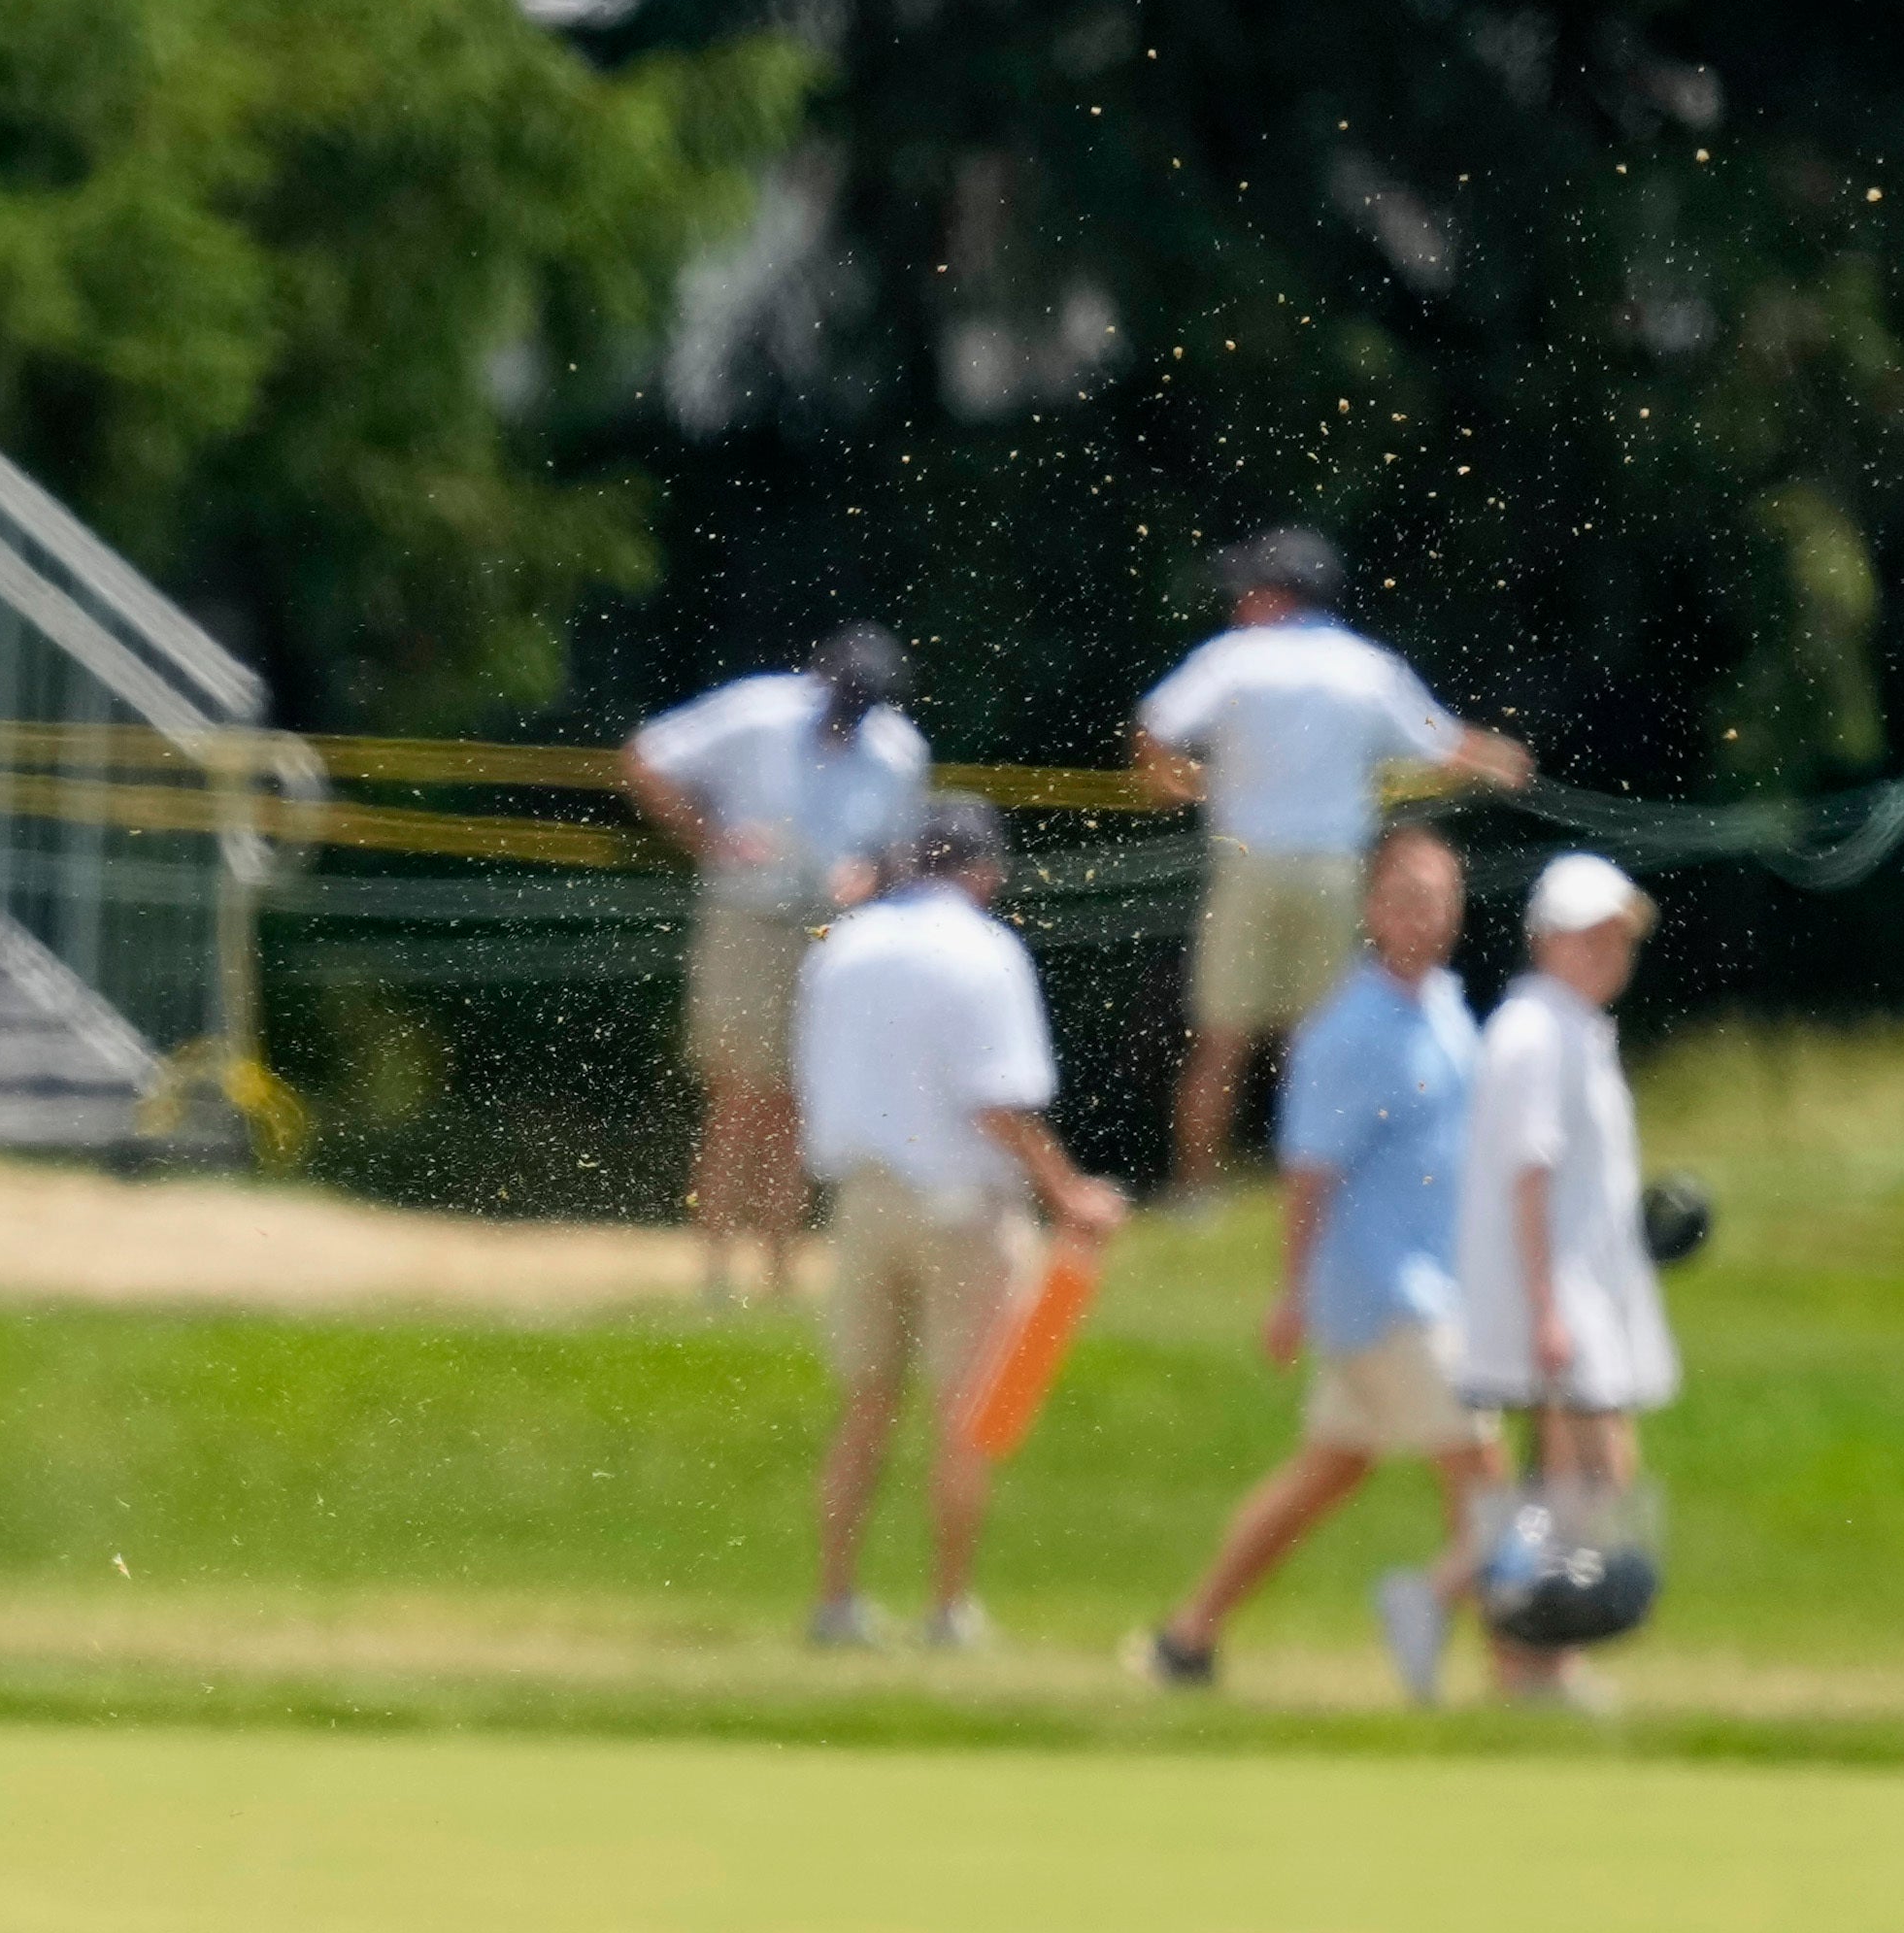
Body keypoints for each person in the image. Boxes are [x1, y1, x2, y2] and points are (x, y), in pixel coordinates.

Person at [1134, 826, 1499, 1697]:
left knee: (1331, 1468)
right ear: (1374, 908)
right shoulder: (1349, 1025)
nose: (1427, 913)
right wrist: (1290, 1295)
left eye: (1441, 895)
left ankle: (1187, 1636)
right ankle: (1511, 1665)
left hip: (1430, 1281)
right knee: (1480, 1470)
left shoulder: (1447, 1008)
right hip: (1383, 1291)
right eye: (1408, 895)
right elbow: (1310, 1171)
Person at [789, 793, 1115, 1651]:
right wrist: (1069, 1192)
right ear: (982, 870)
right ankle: (947, 1607)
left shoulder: (844, 946)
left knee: (865, 1405)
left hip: (860, 1200)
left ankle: (834, 1600)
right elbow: (999, 1103)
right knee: (968, 1413)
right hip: (962, 1206)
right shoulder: (985, 953)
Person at [1132, 525, 1530, 1194]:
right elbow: (1443, 746)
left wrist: (1167, 777)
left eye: (1248, 589)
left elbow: (1154, 726)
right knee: (1316, 1043)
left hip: (1247, 864)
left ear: (1274, 595)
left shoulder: (1235, 658)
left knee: (1221, 1039)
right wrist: (1502, 758)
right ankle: (1317, 1184)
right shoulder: (1364, 667)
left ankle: (1194, 1192)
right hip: (1333, 872)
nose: (1238, 602)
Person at [620, 625, 929, 1304]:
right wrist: (710, 837)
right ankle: (715, 1269)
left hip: (832, 935)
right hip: (750, 919)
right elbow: (645, 758)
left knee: (799, 1102)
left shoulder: (901, 754)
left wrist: (870, 875)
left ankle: (780, 1268)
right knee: (739, 1094)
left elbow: (902, 851)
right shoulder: (758, 714)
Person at [1453, 850, 1681, 1705]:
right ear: (1546, 939)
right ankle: (1530, 1653)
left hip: (1582, 1294)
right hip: (1555, 1301)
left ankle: (1538, 1657)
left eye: (1616, 936)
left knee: (1572, 1480)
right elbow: (1529, 1175)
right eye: (1589, 934)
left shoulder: (1573, 1029)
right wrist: (1548, 1306)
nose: (1606, 949)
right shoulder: (1535, 1033)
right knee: (1584, 1477)